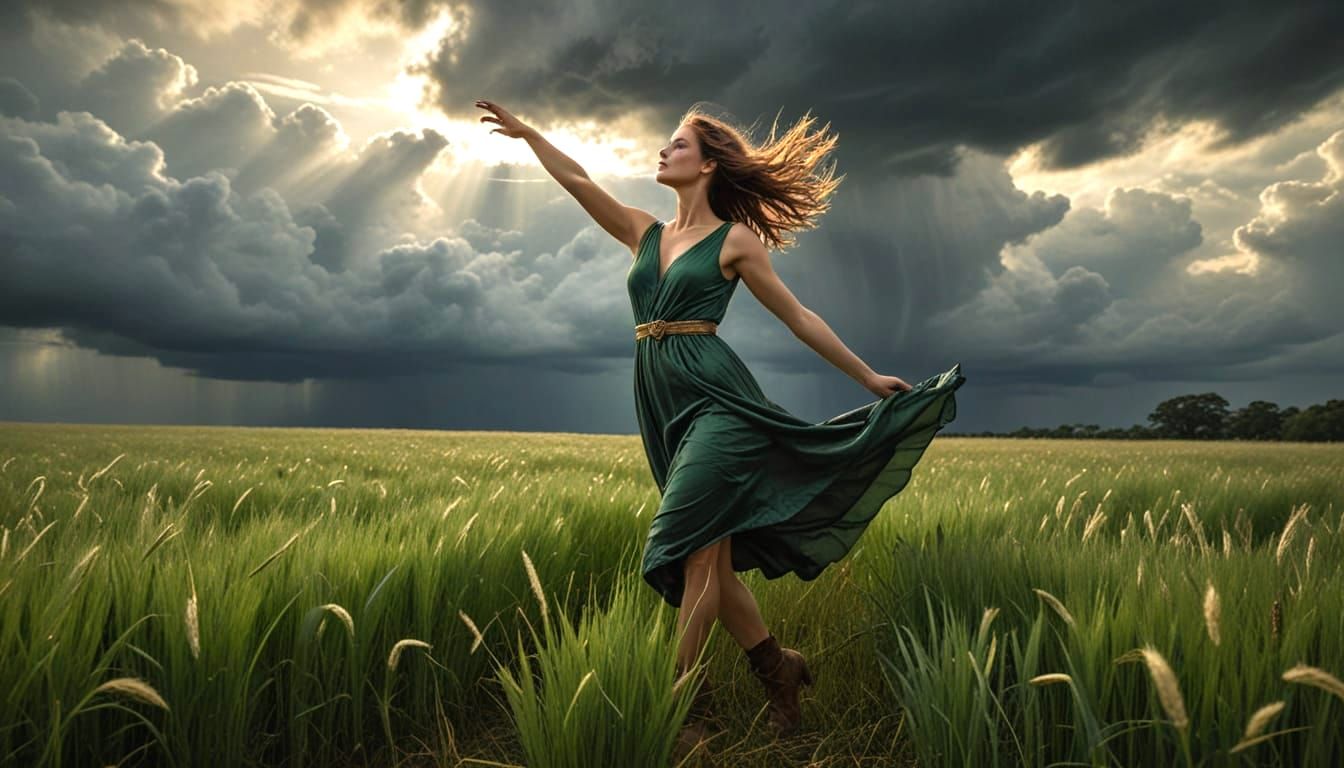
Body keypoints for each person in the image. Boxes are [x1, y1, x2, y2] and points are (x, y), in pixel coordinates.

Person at [476, 99, 965, 761]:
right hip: (661, 404)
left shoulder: (735, 241)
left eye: (675, 144)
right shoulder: (643, 231)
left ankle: (684, 708)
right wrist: (532, 134)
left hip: (720, 404)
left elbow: (798, 315)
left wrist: (867, 377)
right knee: (713, 559)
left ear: (707, 164)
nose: (662, 151)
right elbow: (580, 182)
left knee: (687, 546)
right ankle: (777, 666)